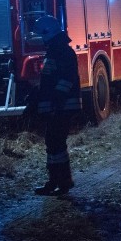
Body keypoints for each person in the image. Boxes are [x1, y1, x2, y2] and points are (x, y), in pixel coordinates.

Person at [33, 15, 82, 196]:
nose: (39, 39)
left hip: (63, 107)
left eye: (41, 35)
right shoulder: (56, 50)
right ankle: (55, 181)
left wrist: (56, 102)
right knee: (52, 143)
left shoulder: (63, 52)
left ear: (48, 33)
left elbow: (66, 79)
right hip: (58, 106)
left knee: (57, 143)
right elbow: (50, 80)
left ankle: (63, 182)